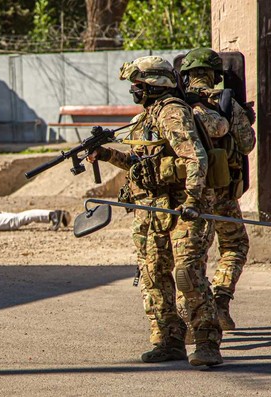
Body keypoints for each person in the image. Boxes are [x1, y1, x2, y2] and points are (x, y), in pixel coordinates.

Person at [88, 56, 223, 366]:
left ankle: (206, 341)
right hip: (153, 211)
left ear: (154, 84)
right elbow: (140, 163)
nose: (134, 90)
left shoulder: (172, 113)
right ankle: (168, 340)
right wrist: (106, 154)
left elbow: (195, 159)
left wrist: (192, 201)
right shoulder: (146, 117)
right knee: (153, 274)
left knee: (187, 273)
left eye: (138, 85)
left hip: (184, 208)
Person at [179, 48, 256, 331]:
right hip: (222, 192)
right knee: (235, 245)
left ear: (186, 75)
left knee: (189, 255)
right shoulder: (227, 103)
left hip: (190, 195)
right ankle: (221, 302)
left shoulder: (176, 107)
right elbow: (247, 145)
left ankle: (190, 316)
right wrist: (246, 118)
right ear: (215, 75)